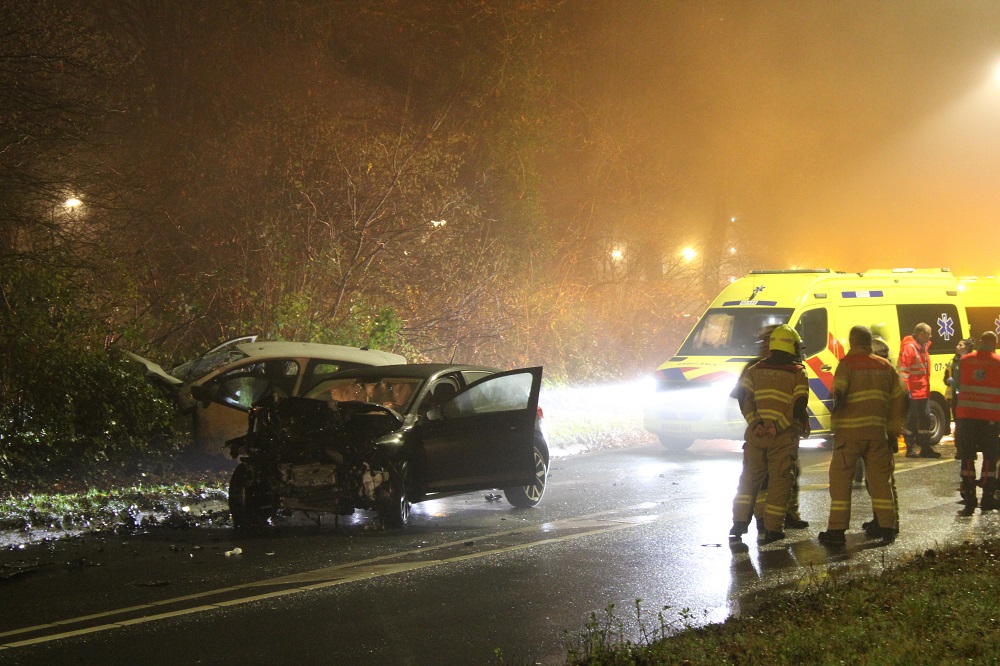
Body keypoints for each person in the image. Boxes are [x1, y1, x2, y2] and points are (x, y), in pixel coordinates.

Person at [818, 326, 906, 546]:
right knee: (880, 482)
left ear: (852, 341)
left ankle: (837, 531)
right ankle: (887, 527)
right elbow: (898, 402)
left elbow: (839, 395)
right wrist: (893, 433)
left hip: (849, 433)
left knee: (841, 481)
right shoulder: (885, 366)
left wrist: (834, 425)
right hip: (877, 433)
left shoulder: (847, 365)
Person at [729, 325, 810, 544]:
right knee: (779, 482)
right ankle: (773, 529)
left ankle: (738, 523)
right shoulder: (798, 373)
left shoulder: (754, 370)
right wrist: (778, 426)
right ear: (791, 345)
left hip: (756, 436)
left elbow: (743, 397)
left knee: (749, 479)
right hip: (782, 438)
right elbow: (799, 405)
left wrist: (755, 422)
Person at [953, 331, 1000, 515]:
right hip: (989, 419)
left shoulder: (965, 361)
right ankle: (987, 497)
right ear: (994, 344)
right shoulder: (998, 362)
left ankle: (969, 494)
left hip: (966, 417)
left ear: (981, 342)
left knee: (967, 455)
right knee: (989, 456)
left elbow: (957, 386)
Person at [898, 322, 940, 458]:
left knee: (925, 420)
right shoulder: (910, 348)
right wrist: (907, 390)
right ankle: (910, 448)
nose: (930, 336)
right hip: (914, 391)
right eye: (929, 334)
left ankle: (925, 447)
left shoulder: (922, 347)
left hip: (923, 390)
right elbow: (903, 371)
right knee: (910, 421)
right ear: (921, 334)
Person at [944, 337, 975, 443]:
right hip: (956, 397)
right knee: (958, 422)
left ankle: (969, 445)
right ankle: (959, 447)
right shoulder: (954, 361)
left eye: (960, 345)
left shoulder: (972, 361)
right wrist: (948, 380)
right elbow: (946, 378)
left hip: (968, 398)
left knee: (967, 422)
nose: (957, 347)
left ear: (967, 348)